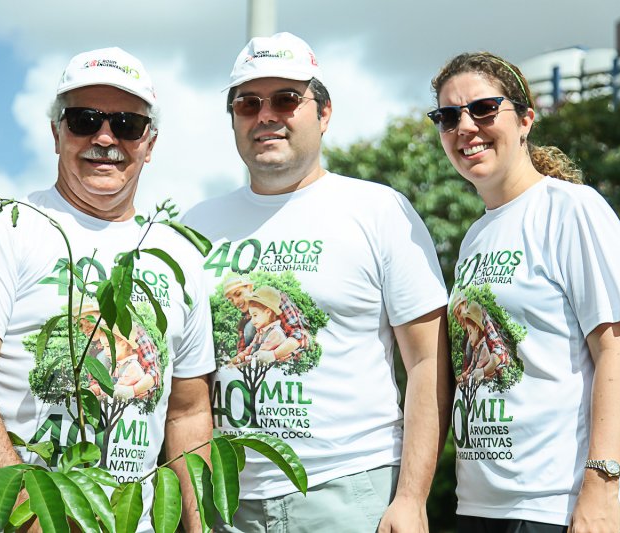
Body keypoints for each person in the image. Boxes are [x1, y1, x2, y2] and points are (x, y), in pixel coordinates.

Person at [0, 47, 214, 533]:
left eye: (126, 124)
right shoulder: (5, 226)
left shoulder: (178, 255)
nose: (105, 137)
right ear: (56, 133)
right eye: (84, 119)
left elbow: (188, 413)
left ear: (150, 142)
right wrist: (40, 522)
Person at [182, 32, 450, 532]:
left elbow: (428, 361)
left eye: (286, 99)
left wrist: (412, 497)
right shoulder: (195, 227)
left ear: (324, 114)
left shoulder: (378, 210)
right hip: (227, 502)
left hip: (350, 492)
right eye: (247, 103)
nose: (266, 115)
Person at [429, 51, 620, 532]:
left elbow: (618, 350)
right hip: (482, 505)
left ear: (525, 119)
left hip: (557, 506)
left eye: (483, 108)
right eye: (448, 116)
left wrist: (601, 485)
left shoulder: (572, 209)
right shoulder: (475, 237)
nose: (465, 126)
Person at [223, 271, 310, 363]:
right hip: (257, 365)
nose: (235, 302)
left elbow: (300, 335)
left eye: (238, 294)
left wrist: (275, 354)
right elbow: (244, 351)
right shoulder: (245, 320)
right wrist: (232, 363)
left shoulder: (274, 299)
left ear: (250, 287)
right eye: (231, 299)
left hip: (282, 362)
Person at [230, 286, 288, 367]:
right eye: (251, 316)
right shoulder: (260, 333)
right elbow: (248, 351)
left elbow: (257, 360)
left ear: (268, 312)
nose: (252, 321)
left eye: (255, 315)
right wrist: (234, 360)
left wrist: (235, 367)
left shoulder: (275, 333)